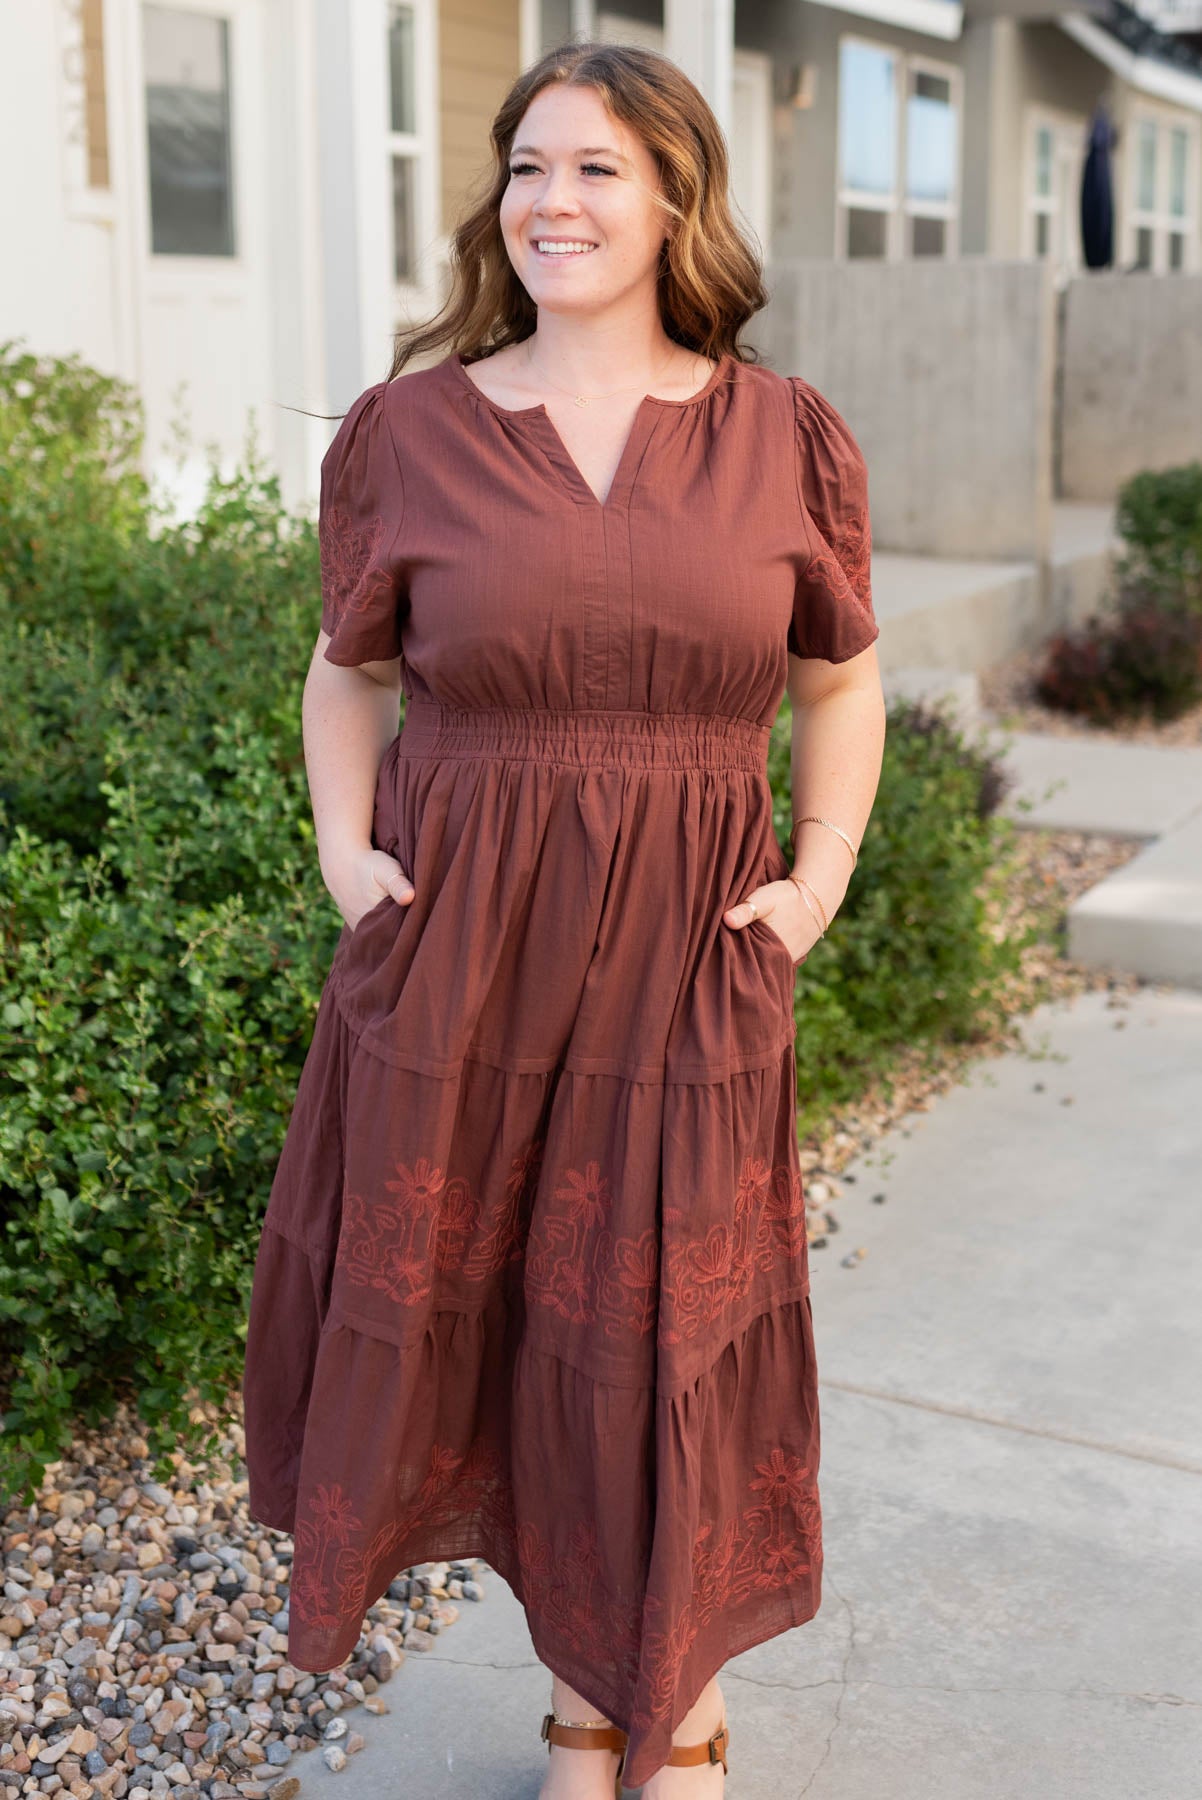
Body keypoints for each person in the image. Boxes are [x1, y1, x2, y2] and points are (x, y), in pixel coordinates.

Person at [242, 37, 886, 1800]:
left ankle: (659, 1707)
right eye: (527, 167)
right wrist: (343, 856)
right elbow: (341, 674)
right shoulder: (411, 433)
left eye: (597, 167)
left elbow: (840, 686)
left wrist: (813, 880)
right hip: (458, 955)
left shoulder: (781, 436)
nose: (552, 201)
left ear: (675, 195)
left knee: (656, 1320)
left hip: (686, 953)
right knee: (496, 1316)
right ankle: (577, 1705)